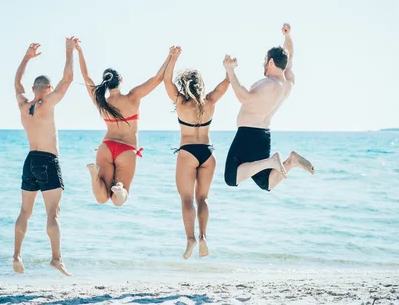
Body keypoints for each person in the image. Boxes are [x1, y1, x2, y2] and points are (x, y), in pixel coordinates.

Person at [75, 40, 171, 206]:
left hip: (106, 147)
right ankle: (119, 187)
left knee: (102, 198)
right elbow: (157, 79)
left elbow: (86, 76)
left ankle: (93, 175)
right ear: (121, 80)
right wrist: (171, 56)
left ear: (105, 83)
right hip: (126, 149)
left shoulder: (101, 102)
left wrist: (79, 50)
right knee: (118, 200)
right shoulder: (132, 97)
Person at [223, 23, 315, 192]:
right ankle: (291, 161)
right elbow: (290, 56)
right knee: (267, 183)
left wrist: (230, 71)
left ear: (271, 62)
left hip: (248, 134)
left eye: (265, 61)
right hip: (263, 135)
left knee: (231, 178)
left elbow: (243, 97)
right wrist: (287, 37)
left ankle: (271, 162)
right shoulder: (287, 83)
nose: (263, 64)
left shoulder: (268, 84)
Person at [12, 38, 76, 276]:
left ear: (33, 89)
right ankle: (56, 259)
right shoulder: (48, 103)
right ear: (48, 90)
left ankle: (17, 255)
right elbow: (67, 79)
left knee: (24, 211)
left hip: (29, 160)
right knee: (52, 213)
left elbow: (17, 82)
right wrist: (69, 51)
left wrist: (27, 57)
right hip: (48, 161)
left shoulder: (23, 104)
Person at [163, 46, 229, 259]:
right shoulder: (210, 101)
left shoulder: (181, 102)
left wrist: (173, 58)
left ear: (184, 85)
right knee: (203, 198)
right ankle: (204, 237)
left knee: (186, 198)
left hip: (188, 152)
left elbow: (166, 82)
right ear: (200, 85)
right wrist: (229, 67)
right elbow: (227, 82)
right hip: (208, 153)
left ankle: (190, 238)